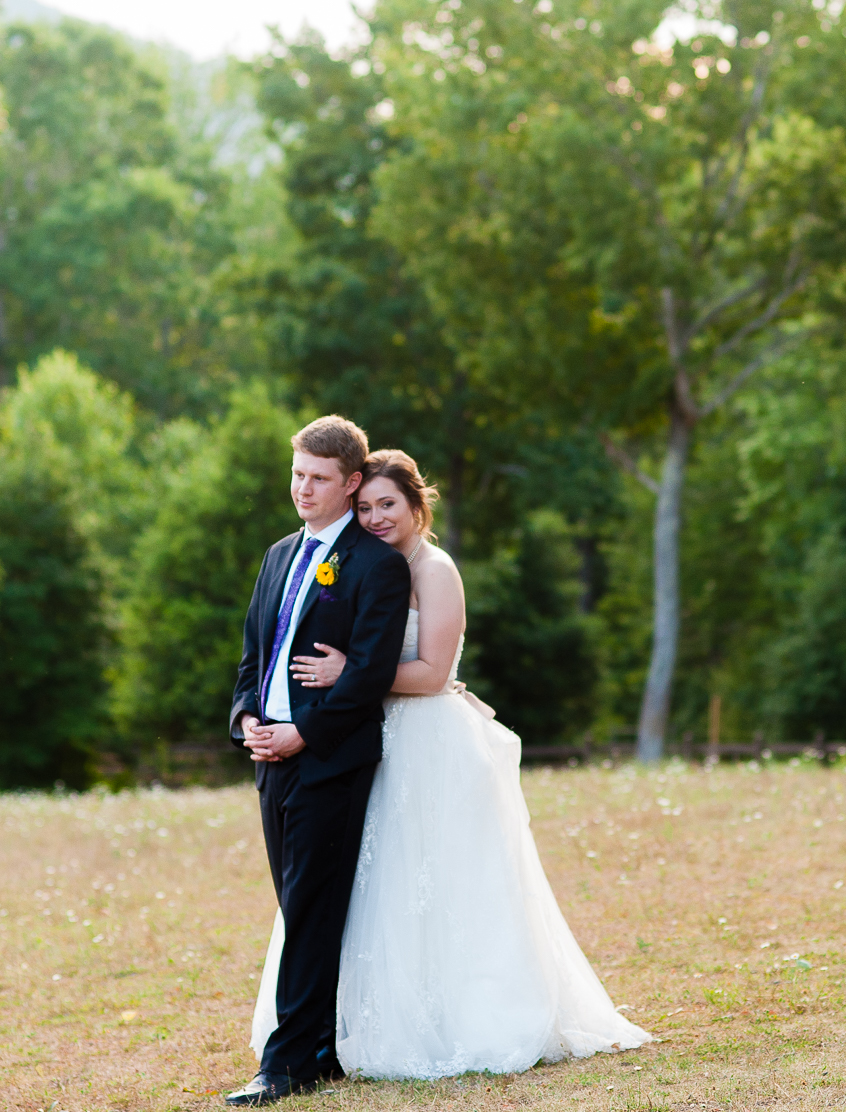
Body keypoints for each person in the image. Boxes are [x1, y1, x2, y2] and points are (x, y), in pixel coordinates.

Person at [247, 448, 649, 1081]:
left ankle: (460, 1016)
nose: (375, 517)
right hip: (370, 736)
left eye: (388, 505)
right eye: (366, 507)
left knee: (439, 881)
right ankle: (353, 1025)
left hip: (429, 739)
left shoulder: (434, 570)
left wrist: (352, 674)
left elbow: (434, 674)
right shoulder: (352, 563)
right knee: (375, 886)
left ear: (416, 506)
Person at [222, 417, 411, 1107]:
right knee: (295, 902)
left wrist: (305, 734)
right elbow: (253, 656)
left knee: (306, 906)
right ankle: (324, 1046)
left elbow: (369, 673)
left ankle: (283, 1065)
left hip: (329, 758)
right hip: (268, 756)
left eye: (320, 479)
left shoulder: (376, 564)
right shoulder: (277, 555)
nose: (304, 488)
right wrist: (248, 719)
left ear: (351, 482)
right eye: (298, 474)